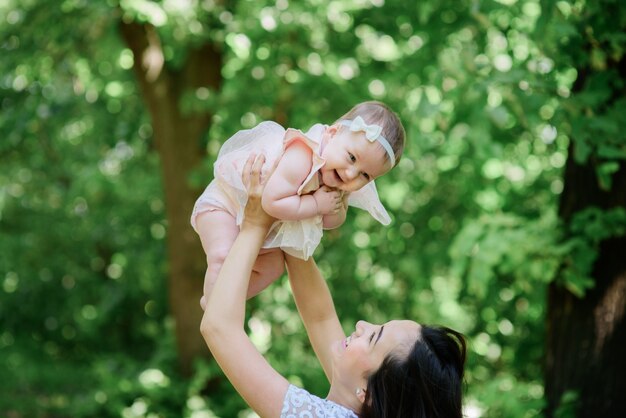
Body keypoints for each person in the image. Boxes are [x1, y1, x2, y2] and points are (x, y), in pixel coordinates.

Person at [200, 154, 467, 418]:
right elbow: (320, 317)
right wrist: (295, 212)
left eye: (374, 337)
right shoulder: (356, 401)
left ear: (369, 393)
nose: (362, 325)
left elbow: (219, 327)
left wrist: (255, 224)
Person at [191, 101, 405, 307]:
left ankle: (219, 300)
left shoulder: (338, 178)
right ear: (331, 135)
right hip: (224, 206)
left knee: (272, 268)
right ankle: (216, 309)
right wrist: (315, 204)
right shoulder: (302, 154)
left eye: (365, 175)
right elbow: (271, 202)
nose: (351, 174)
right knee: (222, 255)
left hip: (254, 226)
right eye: (351, 157)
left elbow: (332, 220)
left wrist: (335, 205)